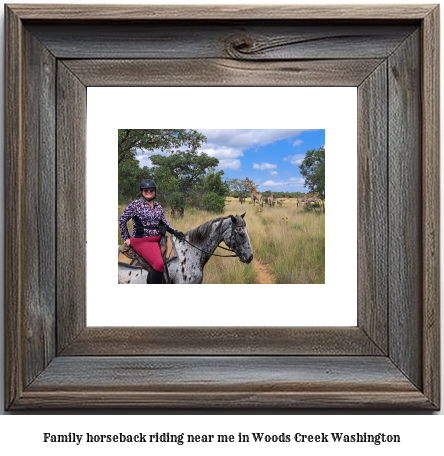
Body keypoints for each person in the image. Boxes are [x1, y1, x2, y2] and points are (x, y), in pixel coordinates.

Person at [119, 179, 185, 284]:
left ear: (154, 191)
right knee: (159, 264)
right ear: (142, 191)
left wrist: (175, 231)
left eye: (151, 189)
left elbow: (164, 222)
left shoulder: (158, 206)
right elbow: (122, 220)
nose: (148, 191)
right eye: (146, 190)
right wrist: (126, 238)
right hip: (142, 241)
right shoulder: (135, 205)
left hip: (158, 239)